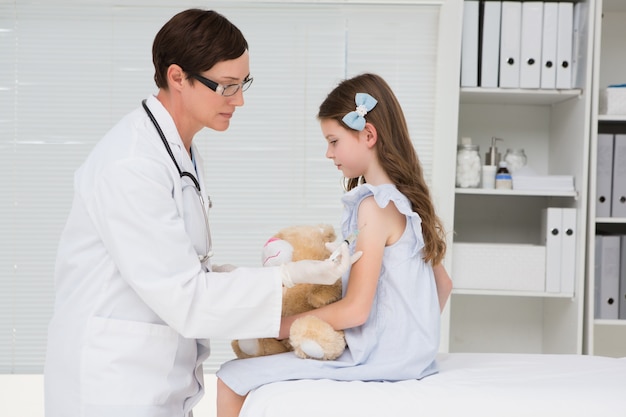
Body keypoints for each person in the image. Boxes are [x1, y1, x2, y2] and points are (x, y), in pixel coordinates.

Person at [43, 9, 359, 417]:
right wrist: (285, 279)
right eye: (226, 87)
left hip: (157, 381)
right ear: (178, 77)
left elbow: (184, 270)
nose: (239, 100)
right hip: (113, 387)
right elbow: (186, 297)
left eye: (243, 84)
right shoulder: (131, 165)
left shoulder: (180, 151)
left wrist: (278, 280)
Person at [215, 72, 453, 417]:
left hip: (380, 359)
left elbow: (357, 310)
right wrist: (410, 336)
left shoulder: (375, 206)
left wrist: (276, 326)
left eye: (334, 141)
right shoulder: (406, 201)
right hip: (413, 357)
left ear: (368, 135)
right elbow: (443, 284)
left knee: (231, 376)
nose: (328, 154)